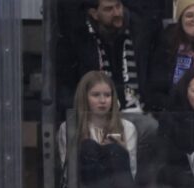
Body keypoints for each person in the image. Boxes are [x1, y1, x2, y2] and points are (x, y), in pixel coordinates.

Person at [55, 0, 158, 153]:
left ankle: (134, 176)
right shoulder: (79, 40)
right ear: (94, 14)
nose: (117, 13)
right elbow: (66, 87)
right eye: (109, 9)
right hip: (95, 114)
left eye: (118, 6)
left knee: (151, 127)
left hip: (133, 110)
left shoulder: (138, 32)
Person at [58, 71, 139, 188]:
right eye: (96, 95)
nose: (103, 100)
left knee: (115, 152)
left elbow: (131, 172)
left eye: (107, 95)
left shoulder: (127, 127)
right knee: (88, 147)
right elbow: (68, 173)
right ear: (84, 98)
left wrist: (120, 150)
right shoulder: (69, 128)